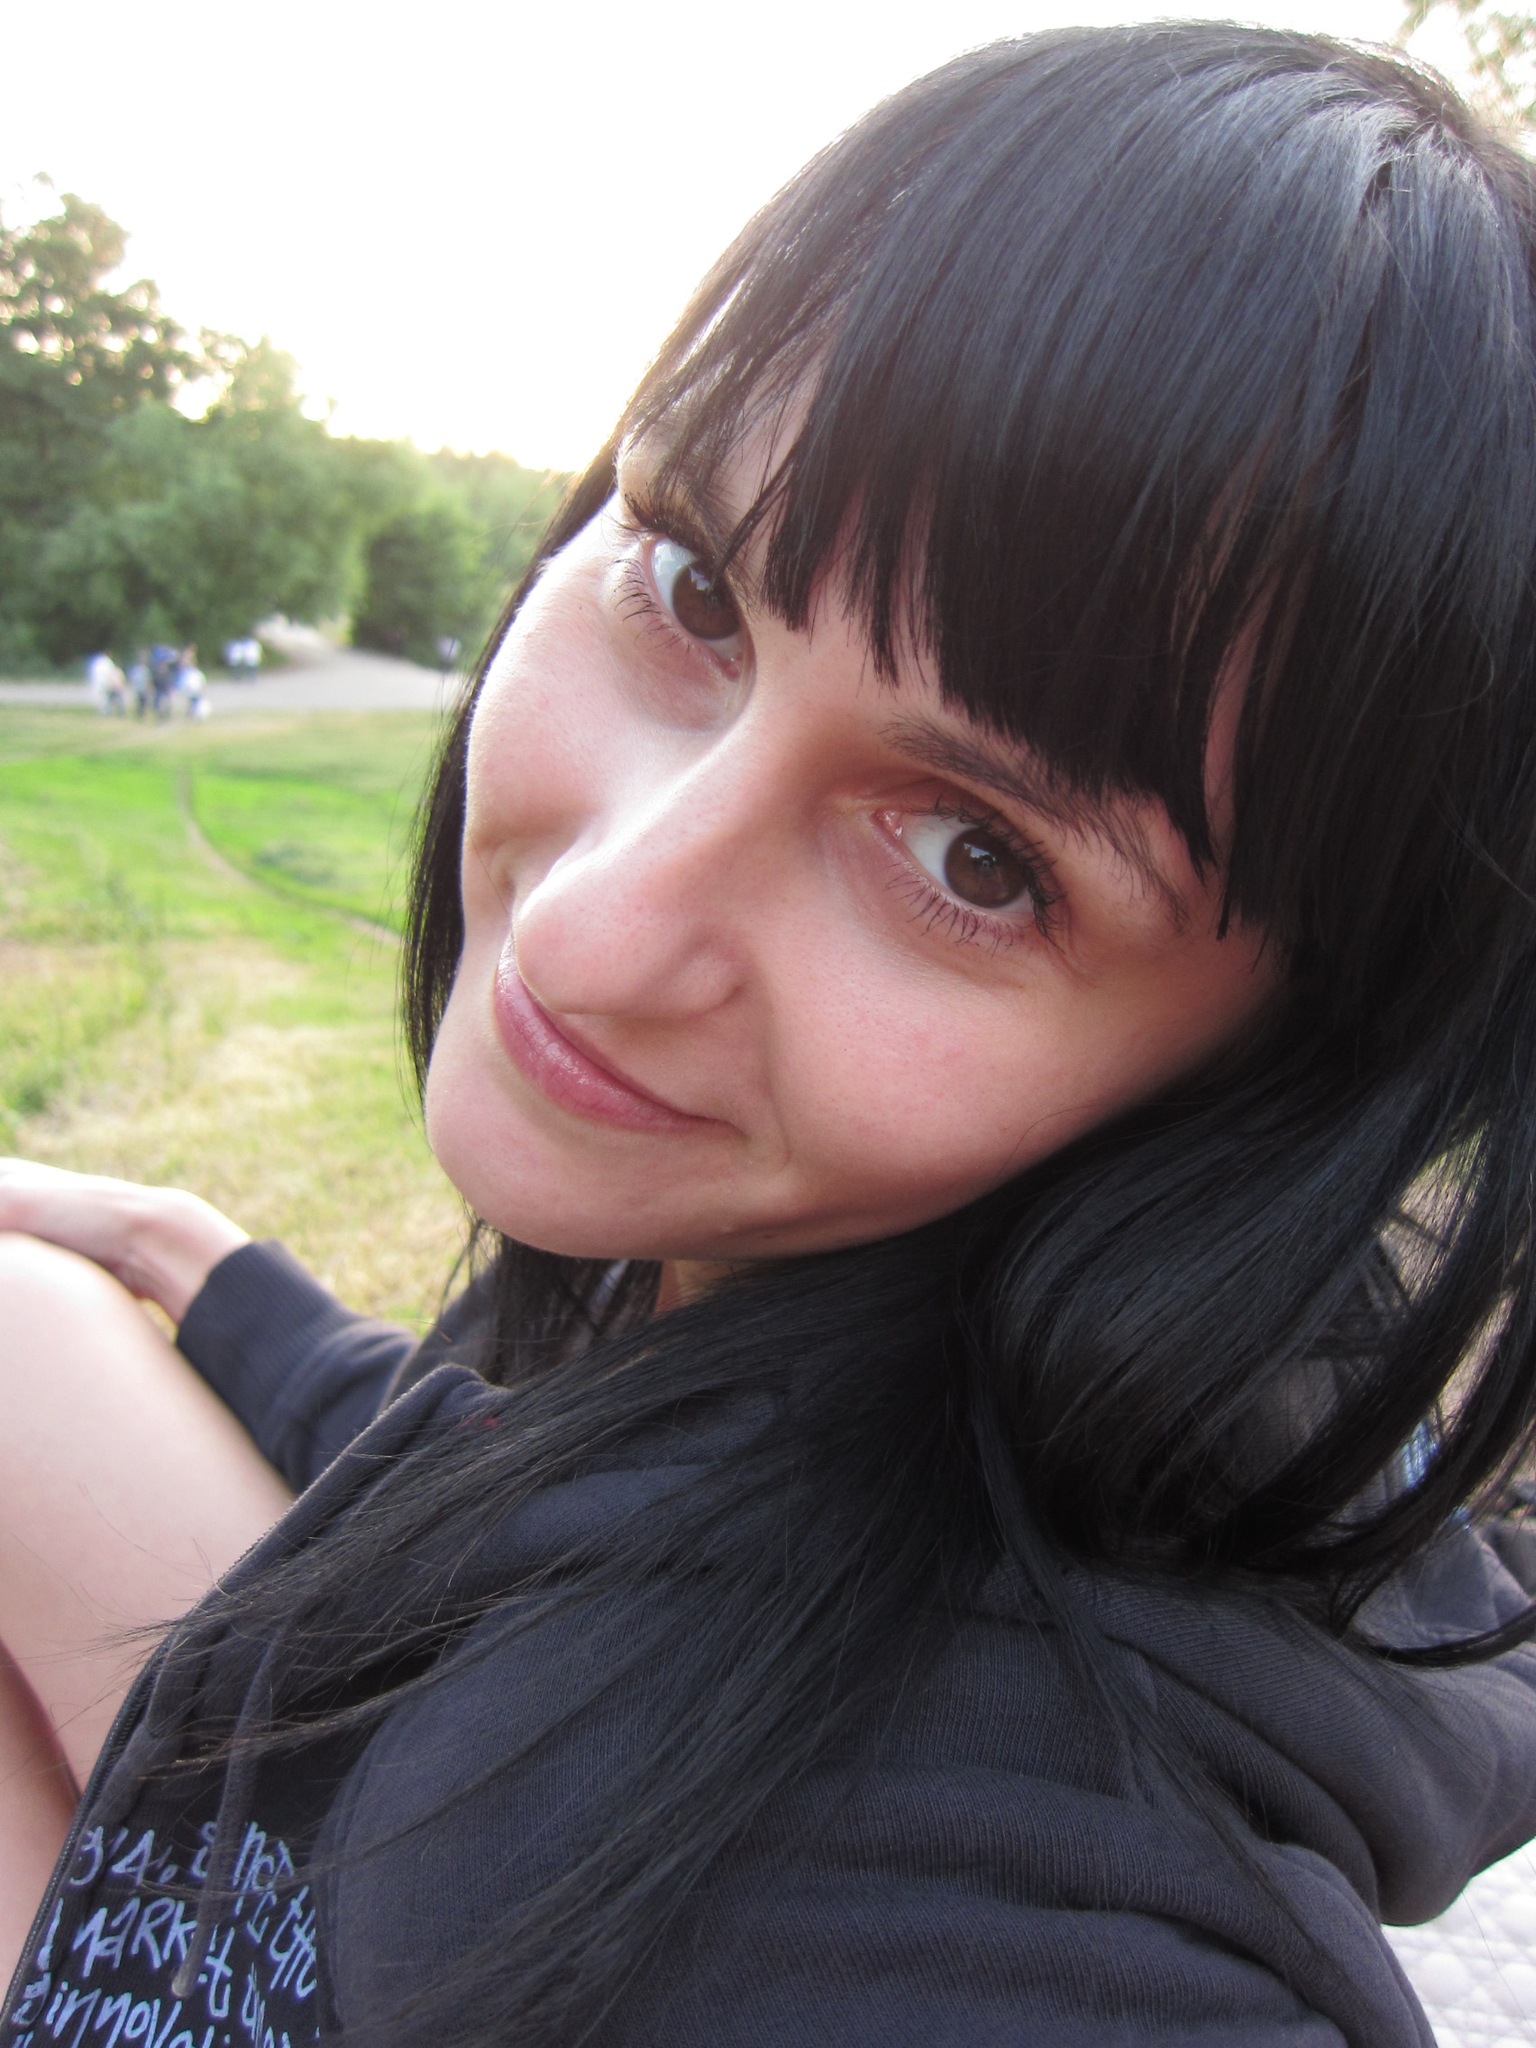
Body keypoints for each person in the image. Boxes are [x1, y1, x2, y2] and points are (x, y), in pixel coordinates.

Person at [0, 25, 1535, 2046]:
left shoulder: (949, 1901)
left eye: (979, 859)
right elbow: (561, 1466)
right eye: (695, 589)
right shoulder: (829, 1280)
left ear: (1289, 1083)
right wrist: (219, 1281)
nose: (593, 925)